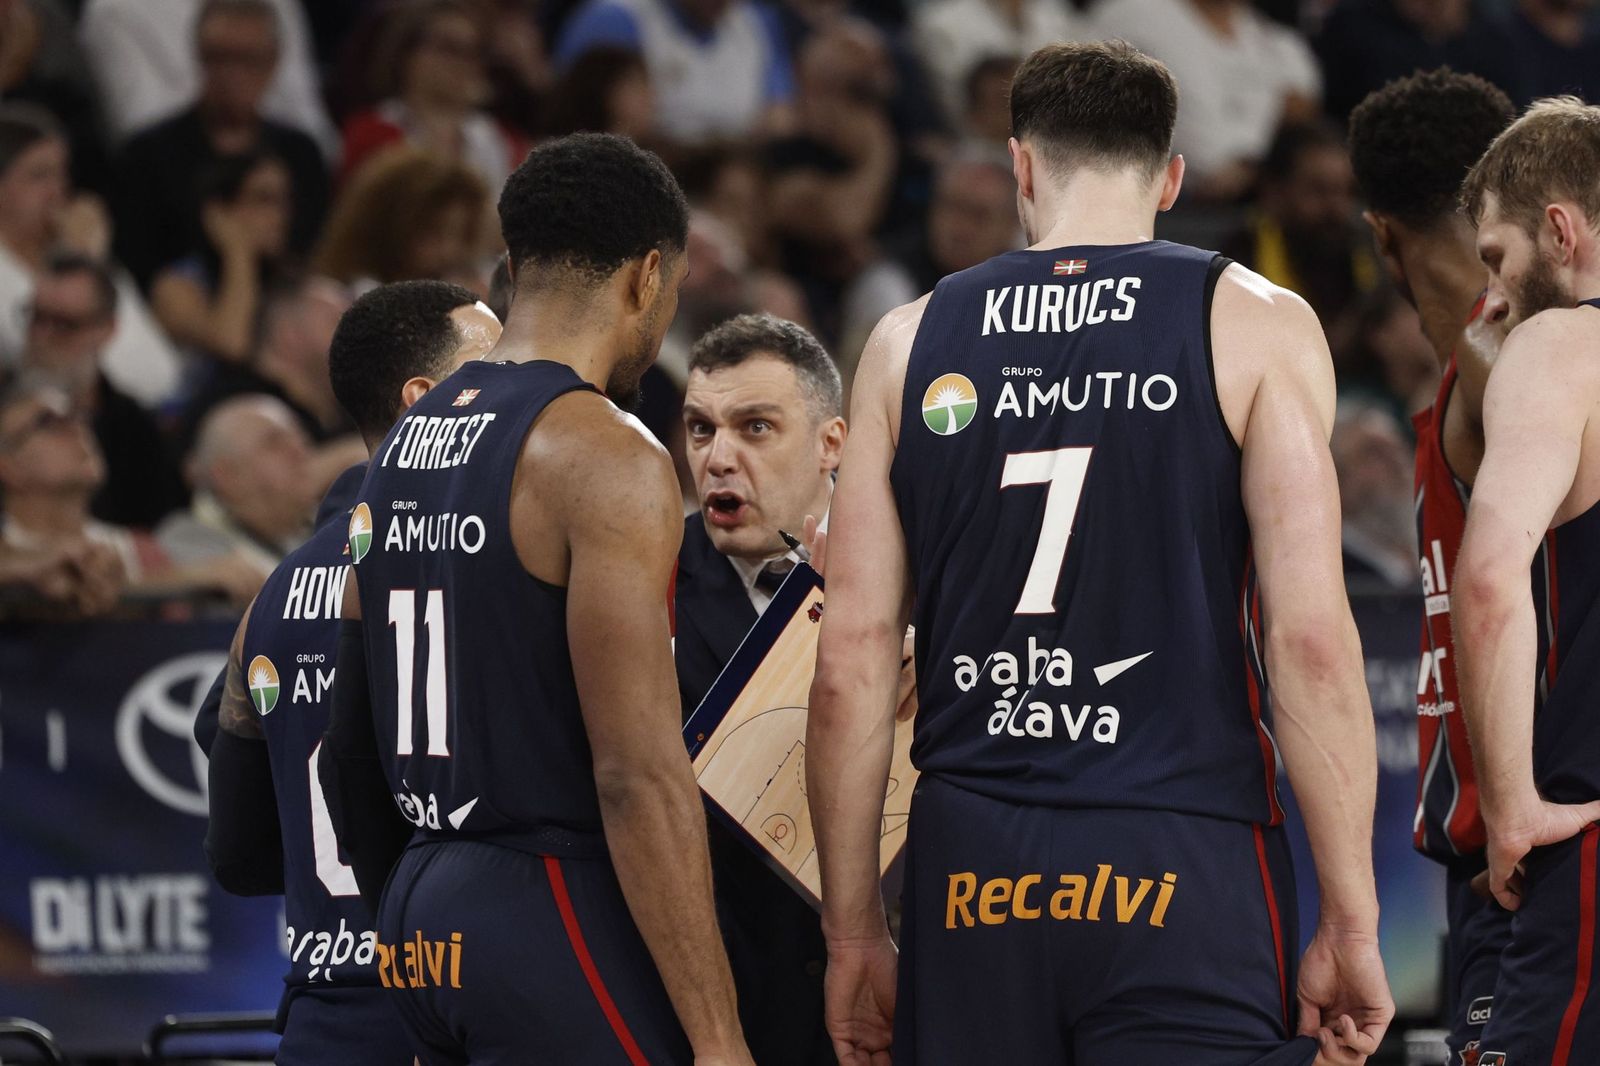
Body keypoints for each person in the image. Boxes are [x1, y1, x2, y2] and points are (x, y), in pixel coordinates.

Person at [806, 41, 1392, 1065]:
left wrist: (853, 931)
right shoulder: (1253, 321)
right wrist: (1351, 916)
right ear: (1169, 178)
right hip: (1180, 848)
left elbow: (851, 659)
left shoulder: (906, 342)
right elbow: (1307, 637)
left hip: (975, 861)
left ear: (1021, 167)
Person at [320, 133, 752, 1064]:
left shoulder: (403, 440)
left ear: (514, 266)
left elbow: (345, 737)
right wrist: (721, 1042)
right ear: (647, 276)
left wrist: (417, 911)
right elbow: (635, 775)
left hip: (421, 904)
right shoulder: (603, 453)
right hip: (545, 896)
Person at [199, 279, 500, 1066]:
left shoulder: (271, 594)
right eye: (496, 370)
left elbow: (238, 856)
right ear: (427, 402)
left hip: (325, 1022)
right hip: (458, 1012)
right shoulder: (481, 567)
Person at [1345, 66, 1515, 1063]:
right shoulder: (1485, 370)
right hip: (1498, 847)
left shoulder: (1517, 370)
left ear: (1377, 234)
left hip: (1532, 843)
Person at [1455, 96, 1600, 1065]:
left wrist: (1510, 803)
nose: (1495, 298)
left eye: (1498, 259)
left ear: (1560, 228)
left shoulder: (1560, 345)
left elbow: (1488, 579)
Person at [673, 313, 845, 1066]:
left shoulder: (919, 572)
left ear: (831, 443)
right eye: (701, 429)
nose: (718, 458)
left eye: (755, 427)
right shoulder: (643, 579)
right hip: (736, 1012)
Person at [106, 0, 329, 291]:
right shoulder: (146, 156)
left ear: (274, 61)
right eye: (220, 57)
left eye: (249, 59)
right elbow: (138, 267)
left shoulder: (301, 154)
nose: (233, 74)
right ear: (198, 56)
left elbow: (315, 258)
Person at [0, 104, 182, 405]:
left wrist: (91, 260)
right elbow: (56, 372)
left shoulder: (75, 249)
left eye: (62, 175)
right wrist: (86, 262)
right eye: (39, 176)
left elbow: (160, 371)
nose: (57, 192)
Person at [20, 252, 187, 529]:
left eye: (64, 324)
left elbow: (160, 529)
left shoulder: (138, 433)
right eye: (36, 318)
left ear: (106, 330)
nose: (41, 337)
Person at [1092, 0, 1321, 200]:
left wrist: (1250, 167)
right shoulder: (1133, 13)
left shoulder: (1270, 40)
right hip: (1163, 196)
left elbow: (1301, 106)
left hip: (1253, 197)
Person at [338, 0, 529, 194]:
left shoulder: (503, 142)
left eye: (474, 51)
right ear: (406, 54)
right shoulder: (370, 135)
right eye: (448, 48)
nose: (463, 62)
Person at [1221, 122, 1380, 351]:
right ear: (1274, 192)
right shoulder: (1237, 262)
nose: (1337, 208)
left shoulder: (1361, 249)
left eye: (1345, 191)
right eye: (1318, 190)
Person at [554, 0, 795, 144]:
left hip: (729, 180)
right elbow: (580, 124)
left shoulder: (757, 24)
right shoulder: (615, 19)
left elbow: (780, 122)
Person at [150, 149, 295, 365]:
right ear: (219, 211)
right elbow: (232, 346)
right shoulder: (176, 286)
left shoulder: (291, 279)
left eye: (283, 201)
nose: (280, 216)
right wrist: (237, 252)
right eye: (263, 199)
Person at [158, 394, 316, 584]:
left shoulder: (331, 524)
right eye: (274, 443)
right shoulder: (188, 545)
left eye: (301, 438)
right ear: (227, 476)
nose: (300, 450)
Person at [311, 146, 488, 292]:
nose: (449, 251)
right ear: (388, 227)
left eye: (462, 234)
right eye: (433, 233)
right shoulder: (344, 298)